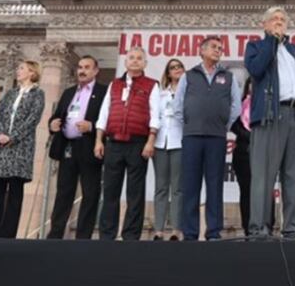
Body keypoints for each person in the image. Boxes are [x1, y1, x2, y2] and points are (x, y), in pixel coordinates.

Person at [244, 6, 295, 239]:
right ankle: (259, 227)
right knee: (264, 175)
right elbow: (256, 68)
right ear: (265, 25)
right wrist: (271, 42)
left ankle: (293, 228)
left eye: (283, 19)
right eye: (274, 19)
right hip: (271, 115)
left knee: (293, 175)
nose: (279, 22)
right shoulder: (256, 47)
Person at [176, 36, 241, 240]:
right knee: (190, 186)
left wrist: (223, 125)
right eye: (213, 47)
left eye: (220, 48)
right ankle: (190, 232)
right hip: (192, 137)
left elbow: (236, 107)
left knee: (215, 186)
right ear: (202, 51)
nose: (218, 50)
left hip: (216, 138)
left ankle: (213, 232)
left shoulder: (228, 77)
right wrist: (188, 126)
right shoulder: (188, 76)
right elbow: (178, 107)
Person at [95, 46, 161, 240]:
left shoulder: (151, 85)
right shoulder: (114, 85)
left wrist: (150, 141)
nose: (134, 61)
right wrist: (98, 140)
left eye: (139, 58)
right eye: (131, 57)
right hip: (113, 142)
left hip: (138, 143)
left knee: (135, 192)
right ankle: (107, 234)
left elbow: (155, 115)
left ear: (145, 63)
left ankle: (131, 235)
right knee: (110, 191)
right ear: (125, 62)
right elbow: (104, 113)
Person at [0, 60, 45, 238]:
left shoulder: (38, 94)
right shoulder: (10, 93)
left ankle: (8, 235)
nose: (18, 71)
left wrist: (13, 136)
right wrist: (0, 134)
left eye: (22, 68)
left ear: (32, 72)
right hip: (0, 147)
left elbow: (33, 119)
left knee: (15, 192)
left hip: (20, 148)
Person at [47, 55, 107, 239]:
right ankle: (56, 233)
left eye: (87, 67)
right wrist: (52, 124)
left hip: (89, 145)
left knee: (90, 192)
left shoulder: (104, 92)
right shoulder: (69, 92)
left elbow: (108, 119)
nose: (82, 70)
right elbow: (57, 115)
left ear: (96, 71)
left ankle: (83, 236)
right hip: (68, 146)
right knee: (64, 191)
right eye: (80, 67)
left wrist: (91, 126)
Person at [152, 58, 185, 240]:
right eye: (173, 67)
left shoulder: (188, 92)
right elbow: (154, 116)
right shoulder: (160, 93)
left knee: (178, 188)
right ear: (168, 72)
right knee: (161, 187)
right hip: (160, 143)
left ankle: (176, 229)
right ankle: (158, 229)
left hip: (179, 142)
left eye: (179, 66)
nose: (176, 69)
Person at [231, 77, 257, 236]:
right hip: (243, 152)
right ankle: (247, 227)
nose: (253, 86)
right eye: (251, 83)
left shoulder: (267, 105)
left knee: (263, 191)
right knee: (246, 191)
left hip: (262, 154)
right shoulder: (240, 104)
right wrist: (249, 135)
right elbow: (233, 125)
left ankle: (264, 225)